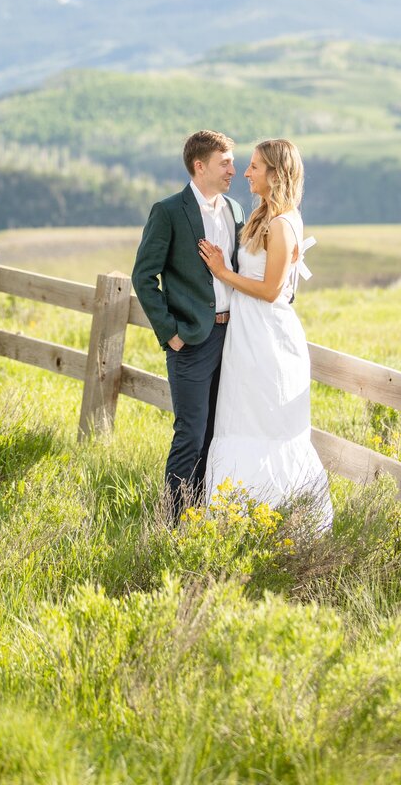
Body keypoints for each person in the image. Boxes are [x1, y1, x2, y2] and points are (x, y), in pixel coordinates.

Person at [198, 138, 332, 528]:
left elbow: (273, 291)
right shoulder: (262, 216)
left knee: (266, 426)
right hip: (246, 336)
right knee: (238, 420)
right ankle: (236, 517)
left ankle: (280, 518)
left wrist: (224, 273)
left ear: (275, 173)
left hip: (268, 339)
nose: (246, 172)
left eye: (255, 166)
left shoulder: (282, 224)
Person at [131, 130, 245, 519]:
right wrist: (171, 334)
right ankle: (172, 522)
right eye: (224, 162)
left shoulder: (234, 210)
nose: (234, 169)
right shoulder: (167, 211)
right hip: (192, 341)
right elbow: (143, 276)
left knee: (217, 433)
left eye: (232, 161)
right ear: (200, 166)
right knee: (191, 436)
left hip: (232, 337)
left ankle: (199, 517)